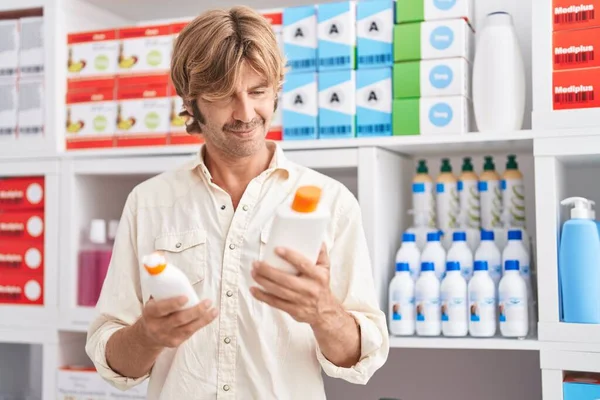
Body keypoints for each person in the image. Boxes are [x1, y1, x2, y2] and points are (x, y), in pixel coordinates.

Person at [85, 6, 389, 399]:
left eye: (258, 91)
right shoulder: (149, 204)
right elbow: (114, 365)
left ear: (277, 89)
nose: (246, 113)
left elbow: (360, 360)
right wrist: (147, 335)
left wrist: (322, 312)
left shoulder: (333, 203)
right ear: (192, 102)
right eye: (224, 96)